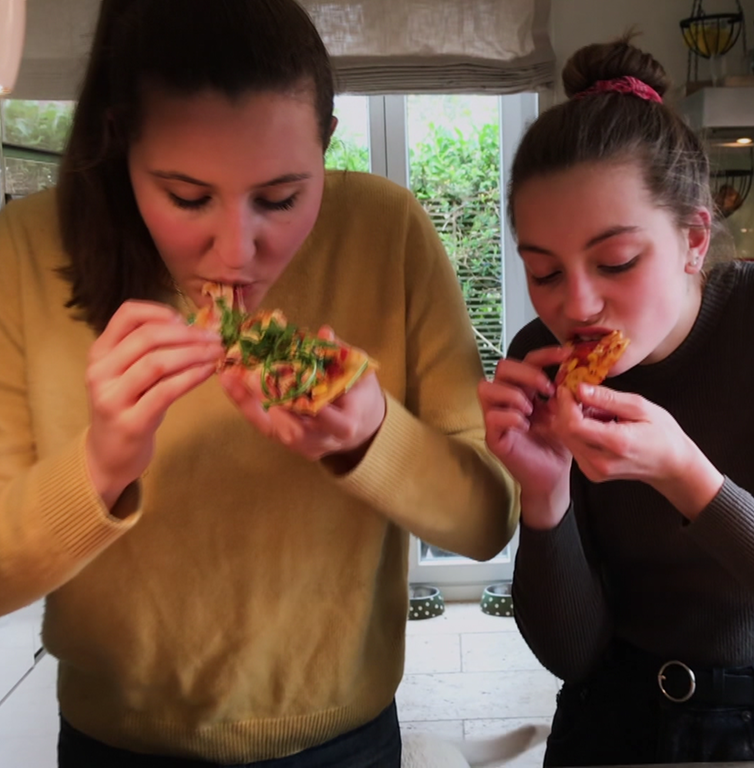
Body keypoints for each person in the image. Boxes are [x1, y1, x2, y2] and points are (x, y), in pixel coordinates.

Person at [0, 1, 517, 765]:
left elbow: (488, 523)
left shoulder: (387, 232)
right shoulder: (23, 251)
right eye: (186, 197)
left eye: (280, 199)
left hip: (345, 741)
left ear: (327, 146)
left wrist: (375, 437)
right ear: (121, 145)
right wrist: (101, 466)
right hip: (115, 744)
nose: (236, 250)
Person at [479, 35, 754, 766]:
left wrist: (683, 473)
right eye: (543, 272)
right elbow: (571, 655)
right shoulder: (533, 358)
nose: (576, 305)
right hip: (606, 716)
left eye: (616, 262)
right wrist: (544, 496)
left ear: (695, 238)